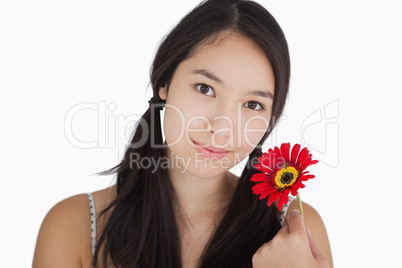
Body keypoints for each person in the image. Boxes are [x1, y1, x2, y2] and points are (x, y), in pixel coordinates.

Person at [33, 0, 333, 267]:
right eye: (205, 88)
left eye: (253, 104)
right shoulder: (74, 227)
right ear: (164, 83)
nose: (221, 127)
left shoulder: (296, 234)